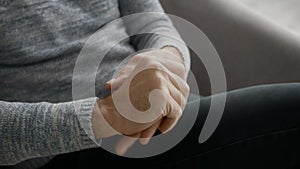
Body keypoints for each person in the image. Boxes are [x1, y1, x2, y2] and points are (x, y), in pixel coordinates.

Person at [0, 0, 299, 169]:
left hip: (161, 113)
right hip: (69, 151)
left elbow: (150, 20)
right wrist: (107, 116)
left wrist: (164, 59)